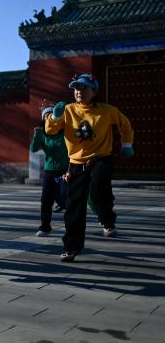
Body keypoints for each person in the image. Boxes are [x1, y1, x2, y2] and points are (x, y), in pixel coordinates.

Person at [45, 73, 134, 262]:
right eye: (76, 88)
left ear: (94, 91)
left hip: (101, 158)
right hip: (76, 163)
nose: (79, 92)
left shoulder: (107, 110)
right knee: (74, 206)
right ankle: (71, 247)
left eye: (84, 88)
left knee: (100, 188)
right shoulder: (68, 110)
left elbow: (125, 124)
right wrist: (54, 116)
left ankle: (107, 219)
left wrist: (127, 144)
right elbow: (50, 130)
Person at [30, 104, 68, 237]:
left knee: (65, 197)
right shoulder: (42, 134)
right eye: (46, 116)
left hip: (65, 170)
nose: (49, 118)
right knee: (46, 200)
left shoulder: (65, 132)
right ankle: (45, 227)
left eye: (51, 115)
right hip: (49, 171)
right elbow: (33, 149)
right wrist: (37, 135)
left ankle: (71, 226)